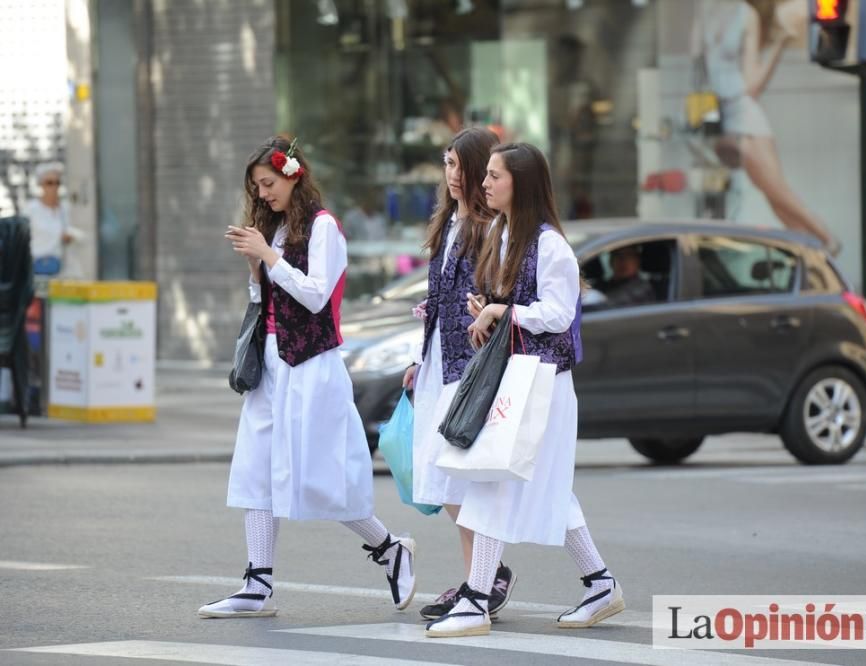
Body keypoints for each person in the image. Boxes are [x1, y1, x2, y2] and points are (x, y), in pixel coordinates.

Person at [199, 135, 415, 618]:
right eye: (256, 187)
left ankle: (390, 547)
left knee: (320, 478)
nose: (263, 194)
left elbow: (317, 296)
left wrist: (269, 259)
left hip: (313, 365)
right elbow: (264, 303)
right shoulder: (272, 231)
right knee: (256, 471)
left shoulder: (324, 229)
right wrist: (258, 267)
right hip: (271, 364)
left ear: (294, 175)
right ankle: (257, 585)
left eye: (269, 182)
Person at [424, 142, 625, 638]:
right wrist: (486, 313)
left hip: (544, 385)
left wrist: (506, 313)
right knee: (546, 489)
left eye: (495, 176)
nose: (485, 184)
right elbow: (507, 301)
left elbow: (559, 313)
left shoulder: (550, 243)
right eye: (486, 175)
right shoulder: (499, 230)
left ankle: (475, 597)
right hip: (515, 377)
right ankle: (601, 584)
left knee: (493, 480)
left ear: (521, 183)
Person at [400, 127, 517, 622]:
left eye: (458, 166)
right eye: (445, 165)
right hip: (436, 361)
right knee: (438, 477)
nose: (451, 176)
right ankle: (484, 578)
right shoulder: (447, 224)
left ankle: (479, 583)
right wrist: (418, 348)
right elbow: (446, 292)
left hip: (468, 366)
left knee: (458, 476)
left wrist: (481, 308)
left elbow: (503, 294)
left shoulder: (492, 228)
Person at [693, 0, 840, 255]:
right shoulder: (704, 11)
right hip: (720, 115)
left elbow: (752, 85)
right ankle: (811, 250)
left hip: (743, 113)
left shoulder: (746, 15)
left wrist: (779, 43)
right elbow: (697, 67)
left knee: (777, 190)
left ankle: (827, 240)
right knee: (771, 194)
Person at [24, 162, 73, 275]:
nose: (54, 187)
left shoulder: (64, 208)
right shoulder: (31, 209)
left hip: (61, 268)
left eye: (57, 183)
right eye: (49, 183)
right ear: (41, 185)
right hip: (36, 267)